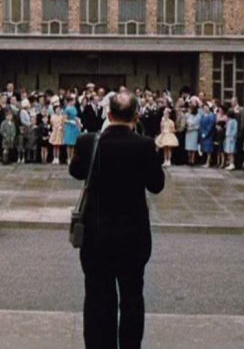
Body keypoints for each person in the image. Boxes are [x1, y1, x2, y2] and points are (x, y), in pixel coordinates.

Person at [69, 92, 165, 349]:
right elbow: (157, 186)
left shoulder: (88, 142)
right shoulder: (145, 145)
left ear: (108, 115)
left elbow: (75, 171)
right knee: (132, 298)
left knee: (98, 298)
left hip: (96, 235)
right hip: (133, 236)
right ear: (136, 116)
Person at [64, 96, 82, 165]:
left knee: (73, 143)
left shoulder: (74, 108)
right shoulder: (67, 109)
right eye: (73, 100)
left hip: (75, 127)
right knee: (69, 144)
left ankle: (72, 157)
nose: (74, 102)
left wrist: (78, 122)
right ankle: (68, 158)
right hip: (69, 127)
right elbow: (64, 119)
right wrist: (70, 121)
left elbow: (76, 116)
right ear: (70, 101)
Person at [198, 103, 216, 168]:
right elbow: (200, 125)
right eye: (204, 107)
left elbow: (210, 126)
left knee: (209, 149)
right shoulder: (203, 115)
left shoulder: (211, 116)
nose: (205, 109)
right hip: (202, 133)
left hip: (209, 135)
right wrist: (201, 133)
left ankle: (208, 162)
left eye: (206, 107)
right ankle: (205, 161)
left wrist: (205, 133)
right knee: (204, 149)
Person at [184, 99, 201, 165]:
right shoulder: (187, 115)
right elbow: (185, 123)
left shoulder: (198, 116)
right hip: (188, 132)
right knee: (188, 146)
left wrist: (193, 128)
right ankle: (189, 159)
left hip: (194, 132)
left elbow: (198, 125)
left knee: (193, 146)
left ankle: (192, 160)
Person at [17, 99, 32, 164]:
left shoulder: (27, 111)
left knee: (27, 143)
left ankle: (26, 157)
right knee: (23, 143)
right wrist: (28, 124)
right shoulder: (22, 112)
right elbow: (23, 121)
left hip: (28, 129)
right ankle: (22, 157)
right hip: (25, 129)